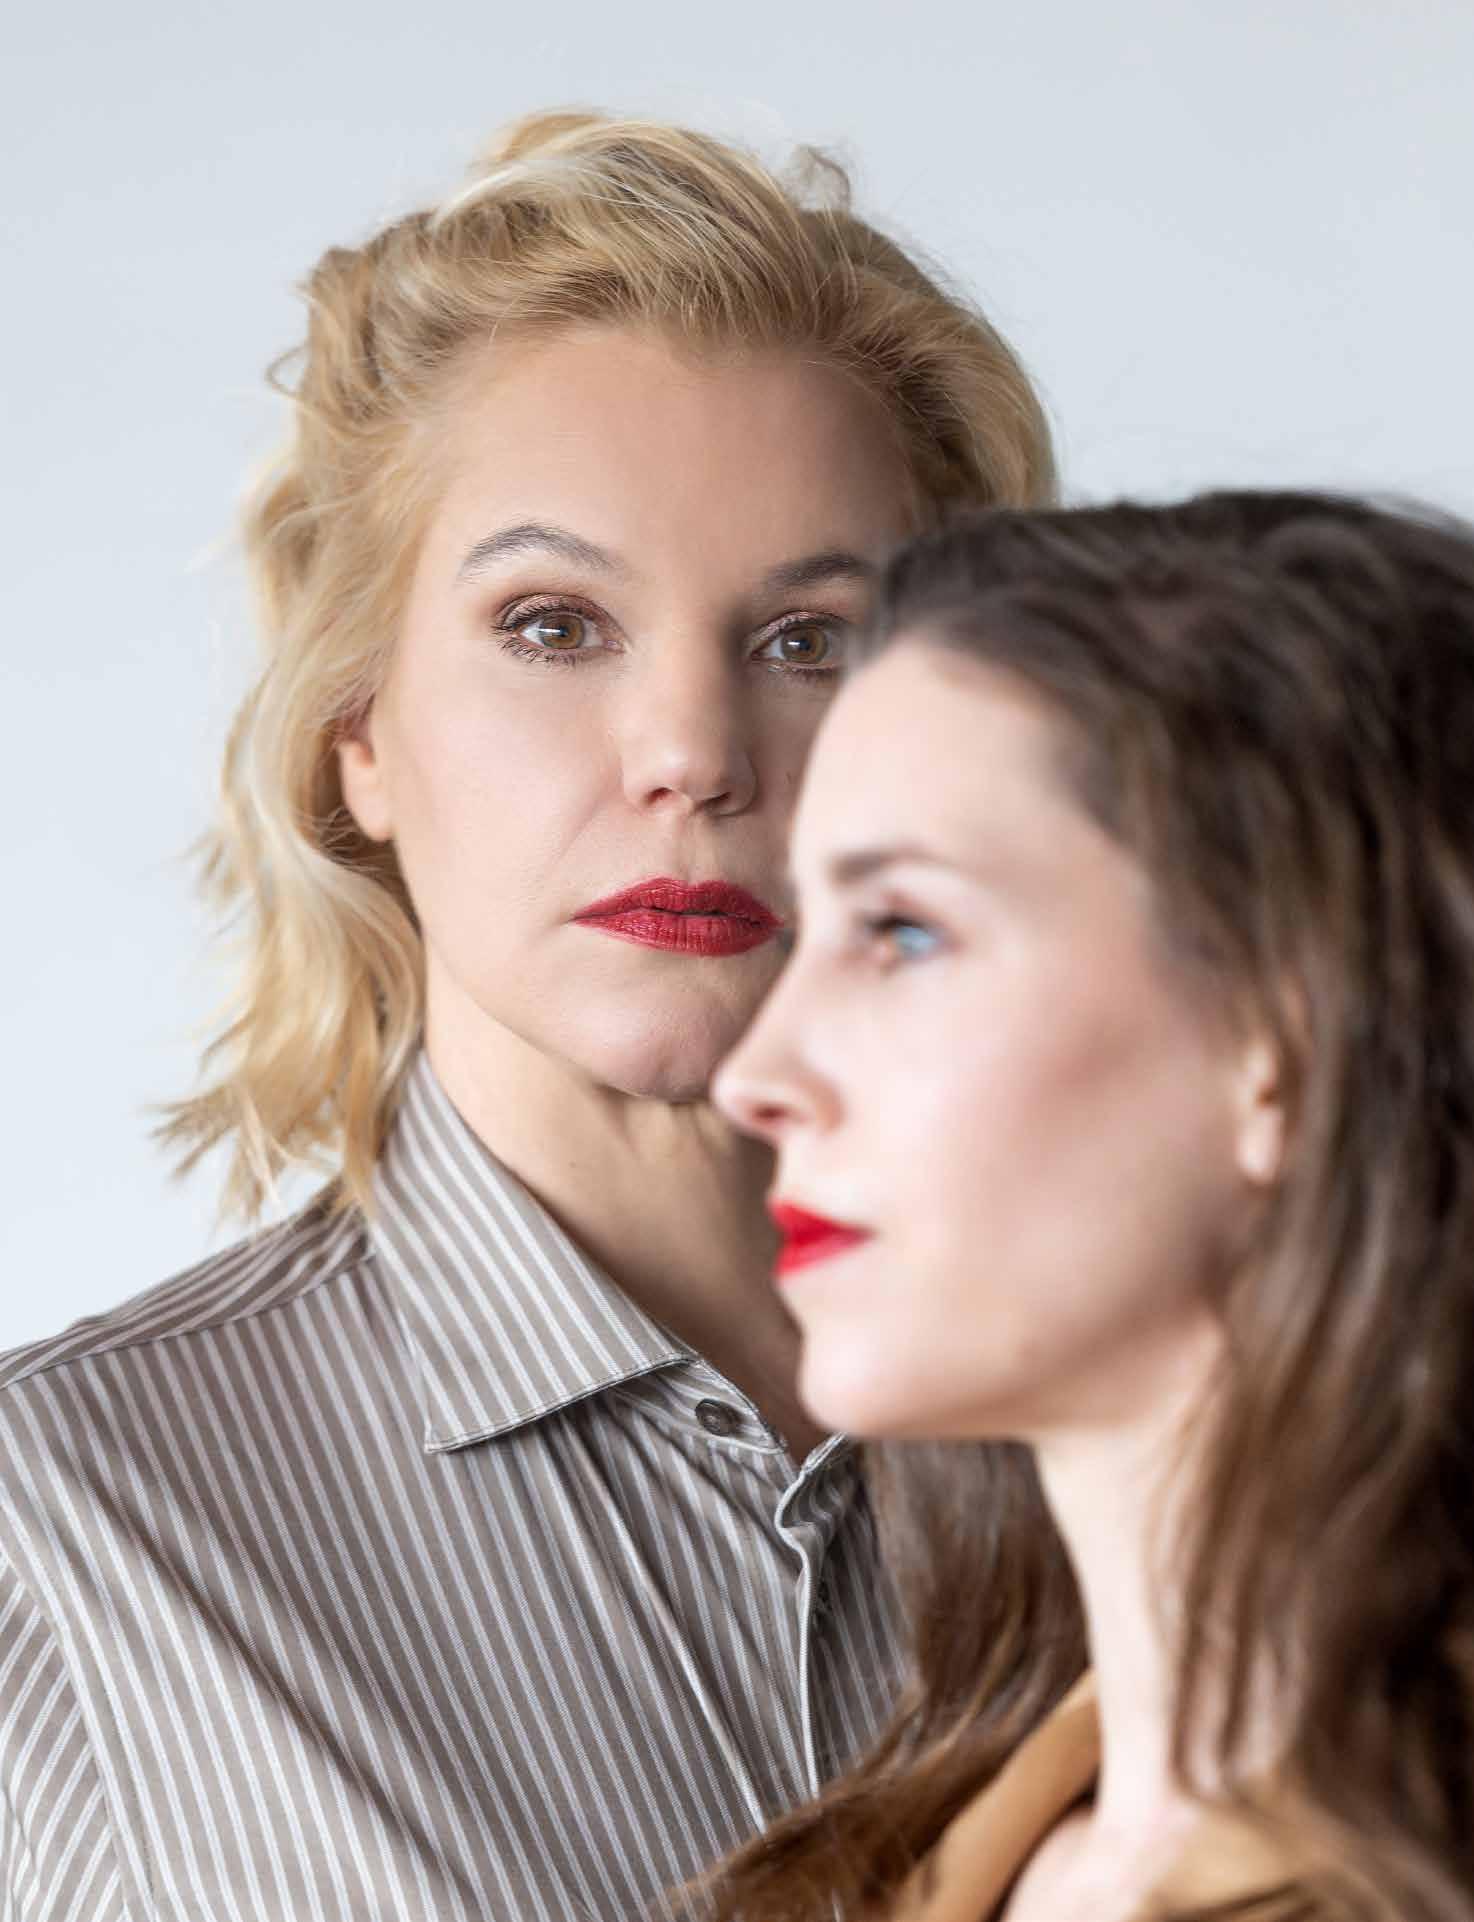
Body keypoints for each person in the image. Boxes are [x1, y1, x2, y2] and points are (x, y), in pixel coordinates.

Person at [0, 111, 1051, 1921]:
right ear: (360, 726)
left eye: (810, 639)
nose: (694, 755)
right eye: (555, 625)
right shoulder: (61, 1531)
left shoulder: (1193, 1441)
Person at [709, 494, 1474, 1922]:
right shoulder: (889, 1871)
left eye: (903, 930)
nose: (756, 1077)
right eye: (806, 930)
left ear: (1294, 1037)